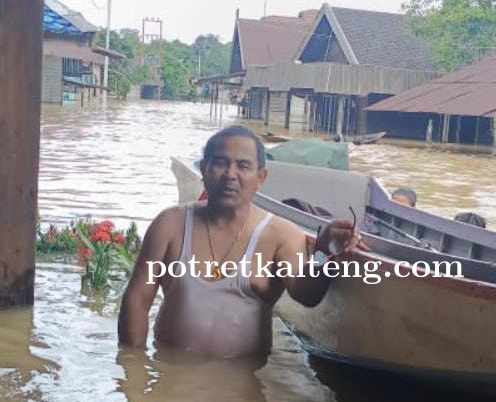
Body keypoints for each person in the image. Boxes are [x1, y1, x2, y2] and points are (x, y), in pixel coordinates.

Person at [118, 125, 363, 358]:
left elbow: (306, 295)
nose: (230, 175)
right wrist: (135, 375)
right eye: (220, 163)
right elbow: (138, 300)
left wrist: (328, 252)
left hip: (243, 386)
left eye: (243, 166)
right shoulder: (170, 225)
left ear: (261, 178)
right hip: (170, 377)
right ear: (204, 169)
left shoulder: (281, 235)